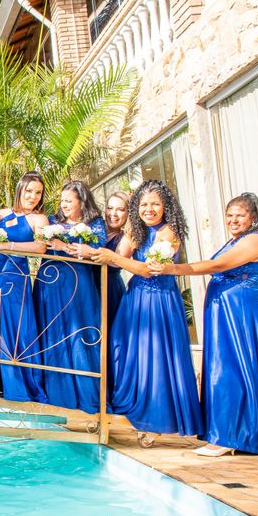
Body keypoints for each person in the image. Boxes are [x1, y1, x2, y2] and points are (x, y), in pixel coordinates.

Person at [148, 193, 258, 455]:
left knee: (232, 369)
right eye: (229, 215)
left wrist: (172, 269)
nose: (233, 220)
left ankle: (230, 437)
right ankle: (239, 433)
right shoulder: (236, 240)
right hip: (224, 311)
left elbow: (217, 264)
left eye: (240, 215)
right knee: (224, 366)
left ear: (253, 217)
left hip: (239, 311)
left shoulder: (255, 240)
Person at [92, 180, 202, 438]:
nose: (149, 209)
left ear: (166, 207)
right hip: (135, 298)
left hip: (159, 300)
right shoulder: (137, 231)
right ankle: (132, 406)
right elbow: (121, 255)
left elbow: (148, 269)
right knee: (120, 346)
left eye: (155, 204)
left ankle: (156, 417)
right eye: (143, 204)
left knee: (155, 355)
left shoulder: (169, 233)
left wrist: (114, 257)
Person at [0, 171, 49, 403]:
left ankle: (16, 377)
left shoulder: (39, 219)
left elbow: (40, 248)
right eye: (29, 191)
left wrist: (8, 246)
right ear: (20, 189)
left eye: (38, 193)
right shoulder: (1, 214)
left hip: (15, 275)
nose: (33, 197)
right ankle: (6, 378)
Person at [33, 180, 106, 413]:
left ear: (81, 201)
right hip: (51, 283)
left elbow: (100, 247)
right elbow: (40, 243)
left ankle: (88, 394)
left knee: (82, 333)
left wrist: (80, 248)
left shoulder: (95, 224)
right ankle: (58, 394)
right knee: (54, 332)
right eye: (62, 200)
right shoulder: (51, 222)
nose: (63, 205)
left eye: (68, 200)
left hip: (81, 283)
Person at [102, 191, 130, 330]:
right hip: (88, 283)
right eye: (110, 208)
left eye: (120, 209)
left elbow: (116, 262)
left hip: (110, 287)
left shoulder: (126, 237)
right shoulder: (94, 229)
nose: (113, 213)